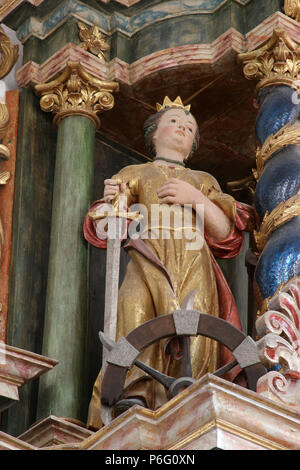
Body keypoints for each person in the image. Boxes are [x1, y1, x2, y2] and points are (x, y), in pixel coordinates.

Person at [84, 96, 254, 429]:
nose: (182, 129)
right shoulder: (135, 172)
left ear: (193, 146)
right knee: (135, 314)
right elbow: (108, 223)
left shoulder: (202, 179)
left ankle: (196, 394)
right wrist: (112, 201)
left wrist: (197, 199)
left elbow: (223, 230)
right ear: (153, 134)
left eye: (189, 128)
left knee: (199, 324)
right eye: (174, 122)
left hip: (194, 261)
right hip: (147, 259)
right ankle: (134, 390)